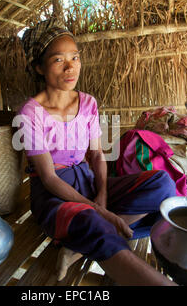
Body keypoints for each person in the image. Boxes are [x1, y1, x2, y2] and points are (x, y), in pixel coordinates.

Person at [15, 18, 177, 286]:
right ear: (39, 68)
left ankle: (77, 249)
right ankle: (95, 231)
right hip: (55, 196)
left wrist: (101, 195)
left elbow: (98, 156)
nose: (71, 67)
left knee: (162, 184)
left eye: (75, 57)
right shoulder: (30, 113)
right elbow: (49, 179)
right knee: (89, 218)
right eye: (58, 60)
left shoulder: (88, 103)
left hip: (89, 184)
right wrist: (98, 210)